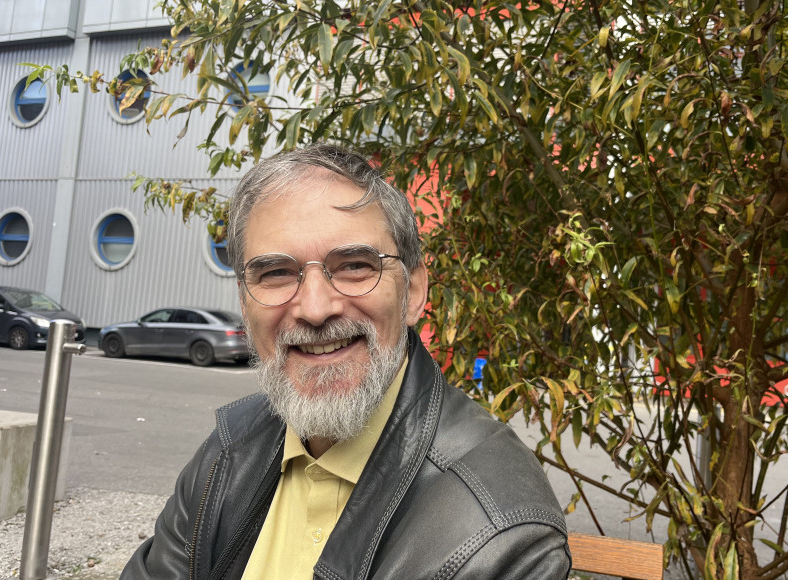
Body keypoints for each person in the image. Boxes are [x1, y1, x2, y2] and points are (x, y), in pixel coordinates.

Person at [121, 144, 571, 579]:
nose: (315, 309)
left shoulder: (499, 529)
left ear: (413, 292)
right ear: (244, 302)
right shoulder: (226, 452)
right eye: (276, 273)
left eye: (355, 265)